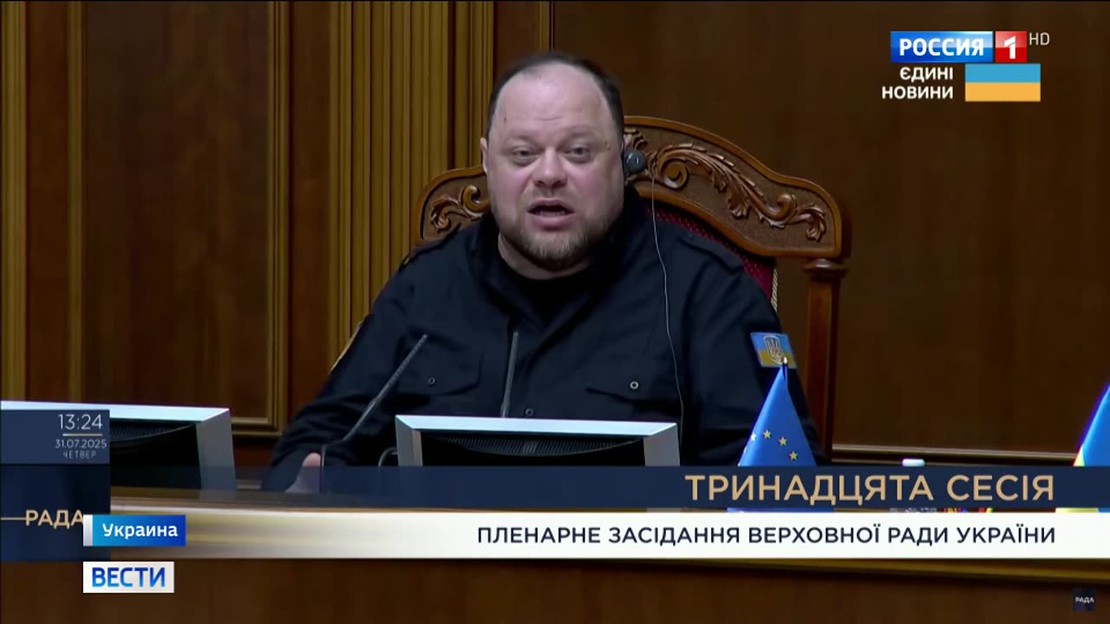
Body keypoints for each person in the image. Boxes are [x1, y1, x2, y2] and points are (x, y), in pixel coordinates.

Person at [262, 51, 824, 492]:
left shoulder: (709, 292)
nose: (549, 175)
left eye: (578, 152)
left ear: (624, 158)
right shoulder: (425, 288)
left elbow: (782, 483)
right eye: (523, 154)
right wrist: (313, 481)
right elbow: (309, 449)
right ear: (487, 162)